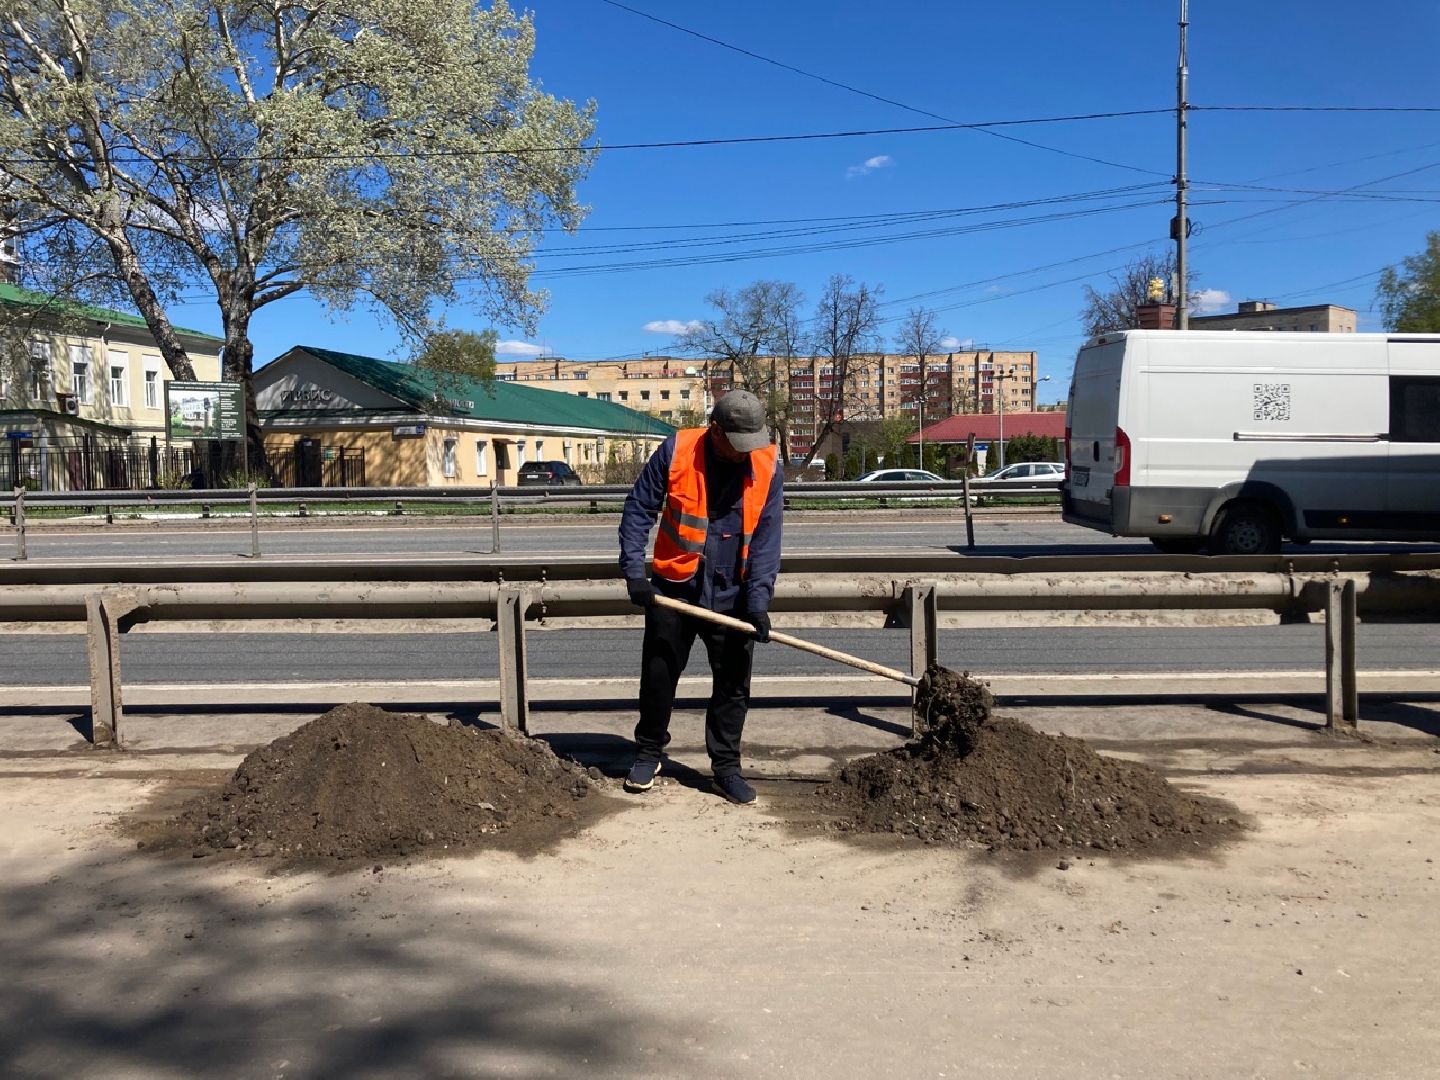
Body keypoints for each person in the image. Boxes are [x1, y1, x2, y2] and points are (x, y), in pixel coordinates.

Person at [617, 389, 783, 804]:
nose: (745, 451)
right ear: (715, 429)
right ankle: (648, 751)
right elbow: (639, 508)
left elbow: (766, 540)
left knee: (732, 683)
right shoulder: (677, 449)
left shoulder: (767, 463)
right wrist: (635, 573)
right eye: (736, 442)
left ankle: (726, 767)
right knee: (659, 674)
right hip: (675, 585)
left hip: (734, 590)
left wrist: (758, 603)